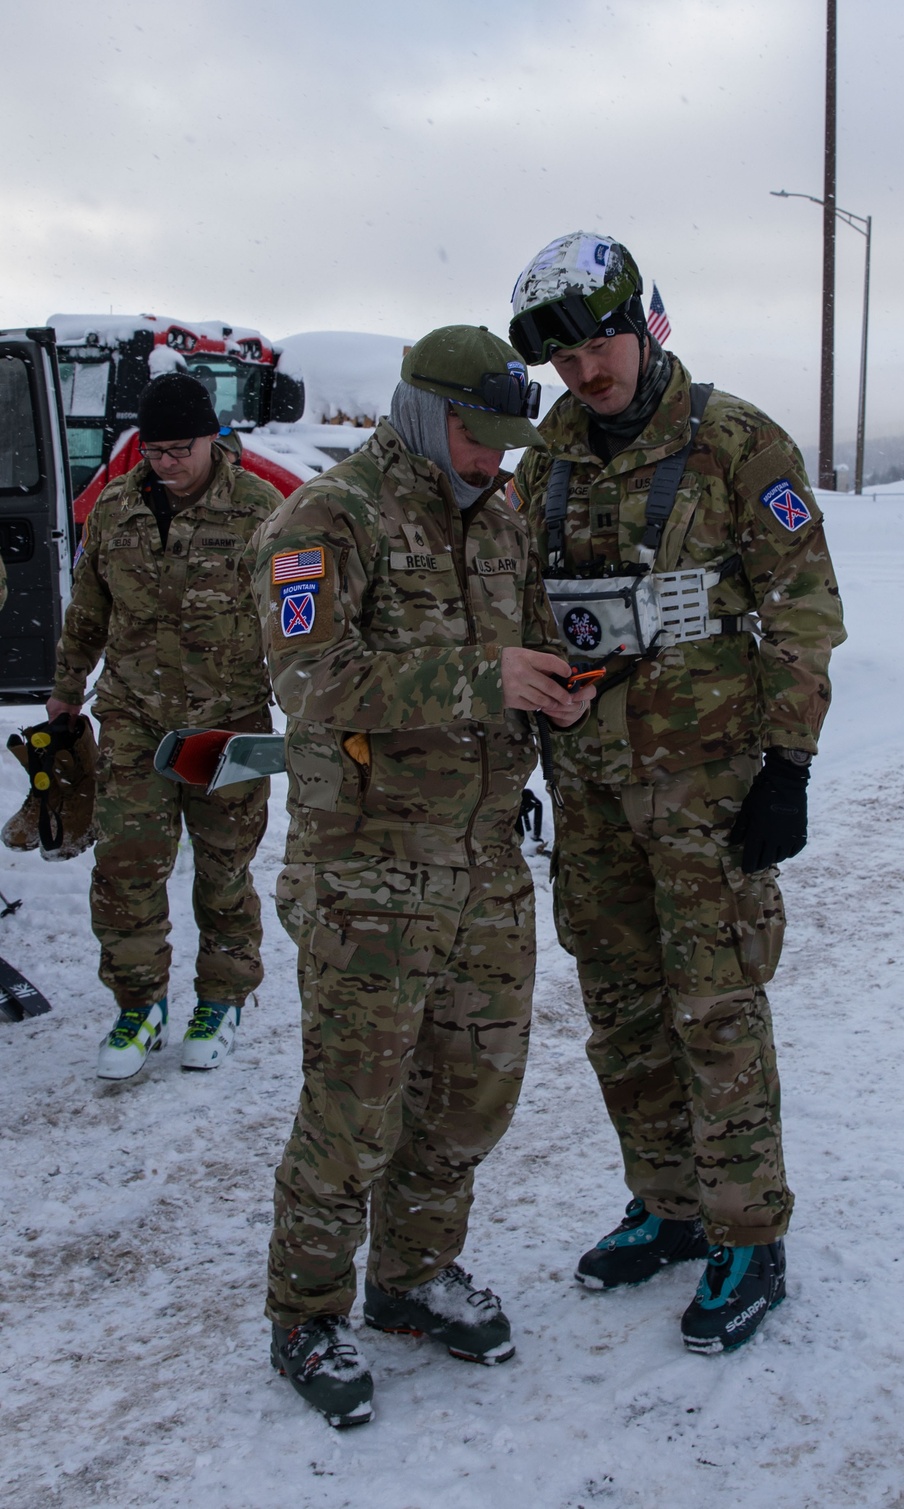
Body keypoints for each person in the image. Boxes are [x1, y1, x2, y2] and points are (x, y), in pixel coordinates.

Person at [507, 231, 846, 1354]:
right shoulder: (544, 458)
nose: (585, 369)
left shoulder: (735, 443)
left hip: (706, 789)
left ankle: (747, 1229)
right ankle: (667, 1202)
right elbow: (514, 604)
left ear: (641, 322)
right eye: (562, 353)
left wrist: (787, 768)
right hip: (591, 786)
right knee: (622, 1010)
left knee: (715, 1006)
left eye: (599, 340)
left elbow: (803, 610)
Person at [252, 324, 593, 1428]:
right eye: (477, 437)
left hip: (486, 863)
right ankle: (305, 1311)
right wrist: (482, 676)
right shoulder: (325, 519)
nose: (495, 460)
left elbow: (520, 652)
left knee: (469, 1097)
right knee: (354, 1113)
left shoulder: (497, 522)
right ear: (417, 413)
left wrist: (553, 685)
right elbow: (312, 679)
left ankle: (410, 1277)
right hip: (368, 880)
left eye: (505, 441)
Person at [46, 372, 281, 1080]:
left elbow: (300, 620)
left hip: (227, 725)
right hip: (133, 718)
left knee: (223, 868)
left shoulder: (262, 512)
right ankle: (140, 1003)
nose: (168, 462)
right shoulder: (114, 511)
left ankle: (223, 996)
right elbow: (88, 610)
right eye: (155, 451)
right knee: (124, 869)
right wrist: (65, 693)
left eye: (181, 448)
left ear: (214, 438)